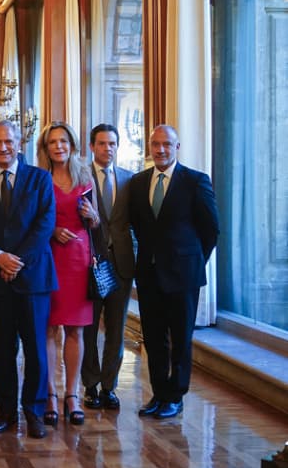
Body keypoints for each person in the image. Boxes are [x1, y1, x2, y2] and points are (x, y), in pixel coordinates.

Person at [0, 120, 56, 439]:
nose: (2, 147)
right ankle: (6, 411)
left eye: (8, 141)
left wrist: (15, 261)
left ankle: (33, 410)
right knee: (2, 350)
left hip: (33, 279)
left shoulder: (40, 178)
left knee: (35, 350)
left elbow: (45, 224)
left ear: (19, 143)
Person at [130, 125, 219, 420]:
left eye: (167, 144)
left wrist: (193, 261)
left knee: (180, 339)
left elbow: (211, 230)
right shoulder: (140, 182)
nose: (161, 149)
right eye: (155, 144)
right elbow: (138, 227)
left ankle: (175, 397)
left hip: (183, 276)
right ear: (150, 147)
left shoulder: (195, 181)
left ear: (177, 147)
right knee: (154, 339)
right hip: (149, 274)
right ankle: (159, 394)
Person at [36, 122, 99, 427]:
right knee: (49, 329)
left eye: (63, 141)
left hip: (79, 257)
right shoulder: (38, 178)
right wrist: (51, 231)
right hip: (49, 258)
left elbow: (95, 221)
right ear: (45, 147)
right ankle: (49, 393)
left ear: (73, 145)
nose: (58, 146)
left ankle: (71, 394)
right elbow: (31, 221)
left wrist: (94, 217)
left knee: (75, 330)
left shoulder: (86, 177)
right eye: (52, 142)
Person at [82, 124, 135, 411]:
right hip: (89, 264)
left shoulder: (129, 179)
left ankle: (109, 387)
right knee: (89, 328)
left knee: (117, 329)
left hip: (122, 264)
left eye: (112, 143)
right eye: (102, 143)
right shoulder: (80, 176)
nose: (108, 148)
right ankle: (90, 384)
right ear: (92, 146)